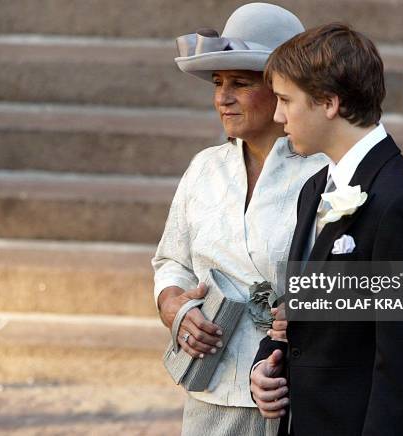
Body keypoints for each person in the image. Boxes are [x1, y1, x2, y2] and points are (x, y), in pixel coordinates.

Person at [250, 23, 403, 435]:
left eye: (286, 100)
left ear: (328, 102)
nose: (277, 115)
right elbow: (304, 306)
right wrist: (269, 359)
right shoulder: (314, 189)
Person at [152, 4, 328, 435]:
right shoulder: (204, 168)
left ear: (281, 89)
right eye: (217, 83)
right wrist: (174, 306)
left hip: (290, 389)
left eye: (240, 83)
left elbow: (350, 279)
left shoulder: (323, 171)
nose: (222, 98)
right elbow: (170, 261)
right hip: (207, 386)